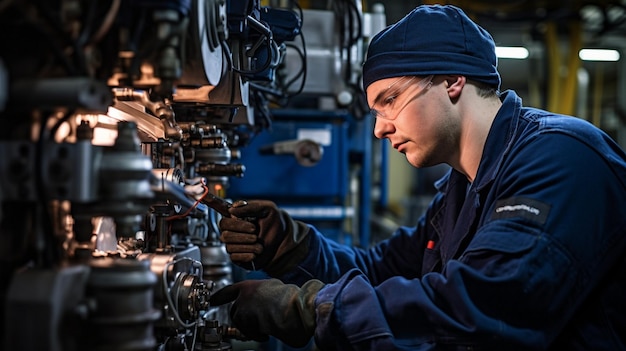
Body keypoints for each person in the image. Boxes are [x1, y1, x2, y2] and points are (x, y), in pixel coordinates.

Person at [209, 4, 626, 350]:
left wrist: (312, 306)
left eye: (389, 100)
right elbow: (383, 273)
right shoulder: (461, 190)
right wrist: (291, 248)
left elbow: (485, 307)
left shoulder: (561, 159)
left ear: (451, 80)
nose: (379, 128)